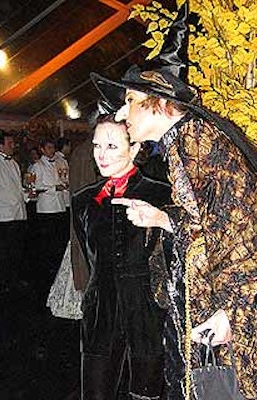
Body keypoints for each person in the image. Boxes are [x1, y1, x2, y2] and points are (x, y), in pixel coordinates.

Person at [90, 3, 257, 400]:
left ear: (159, 102)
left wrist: (226, 309)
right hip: (248, 294)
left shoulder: (195, 141)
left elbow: (244, 232)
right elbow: (210, 221)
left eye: (130, 100)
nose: (121, 111)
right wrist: (164, 219)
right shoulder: (185, 142)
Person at [72, 114, 171, 400]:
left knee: (146, 394)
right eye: (96, 146)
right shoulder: (83, 200)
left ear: (135, 148)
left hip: (147, 311)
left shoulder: (160, 194)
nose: (101, 155)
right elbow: (90, 257)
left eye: (111, 146)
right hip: (101, 311)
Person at [0, 130, 29, 318]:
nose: (13, 145)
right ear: (0, 145)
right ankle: (3, 287)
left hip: (18, 213)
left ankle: (14, 281)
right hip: (4, 215)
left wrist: (27, 196)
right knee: (3, 253)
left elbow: (18, 188)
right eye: (10, 143)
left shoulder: (15, 164)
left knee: (16, 250)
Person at [30, 138, 68, 305]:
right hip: (46, 209)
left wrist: (62, 185)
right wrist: (54, 188)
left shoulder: (58, 163)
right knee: (48, 244)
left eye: (53, 147)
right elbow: (35, 186)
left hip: (59, 207)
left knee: (58, 242)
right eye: (49, 147)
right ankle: (46, 276)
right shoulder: (38, 166)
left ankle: (56, 271)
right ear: (43, 149)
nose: (52, 150)